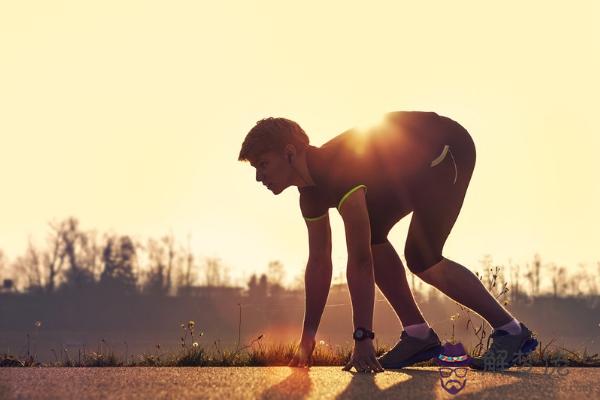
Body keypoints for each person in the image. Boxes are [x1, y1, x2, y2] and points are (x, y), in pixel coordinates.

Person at [237, 110, 538, 373]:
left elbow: (359, 261)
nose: (259, 177)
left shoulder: (336, 170)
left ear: (289, 152)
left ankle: (511, 331)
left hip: (446, 148)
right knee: (374, 238)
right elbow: (319, 263)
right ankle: (419, 335)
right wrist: (307, 338)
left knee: (423, 258)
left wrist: (362, 337)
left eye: (262, 164)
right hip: (405, 171)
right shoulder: (310, 196)